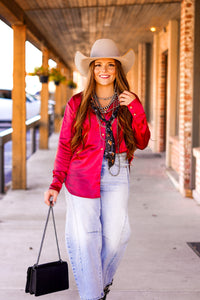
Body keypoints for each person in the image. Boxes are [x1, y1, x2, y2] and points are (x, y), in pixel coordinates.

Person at [44, 39, 150, 300]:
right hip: (81, 176)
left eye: (110, 65)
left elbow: (143, 141)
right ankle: (93, 295)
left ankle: (96, 285)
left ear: (117, 70)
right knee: (87, 239)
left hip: (117, 171)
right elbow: (66, 146)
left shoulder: (129, 102)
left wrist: (135, 108)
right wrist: (56, 183)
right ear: (91, 70)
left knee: (118, 236)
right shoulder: (76, 103)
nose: (104, 70)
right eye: (98, 65)